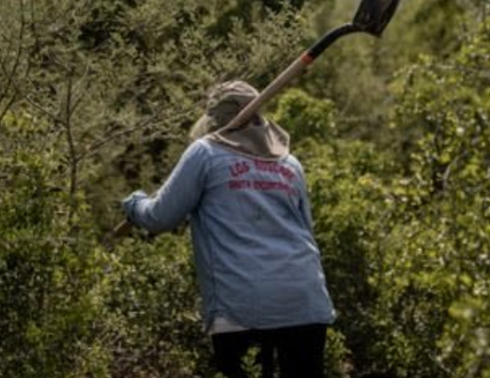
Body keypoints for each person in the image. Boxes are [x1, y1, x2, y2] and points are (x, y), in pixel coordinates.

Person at [122, 80, 335, 378]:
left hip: (242, 306)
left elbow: (159, 217)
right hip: (304, 299)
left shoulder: (205, 153)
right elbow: (306, 231)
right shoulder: (290, 163)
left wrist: (134, 204)